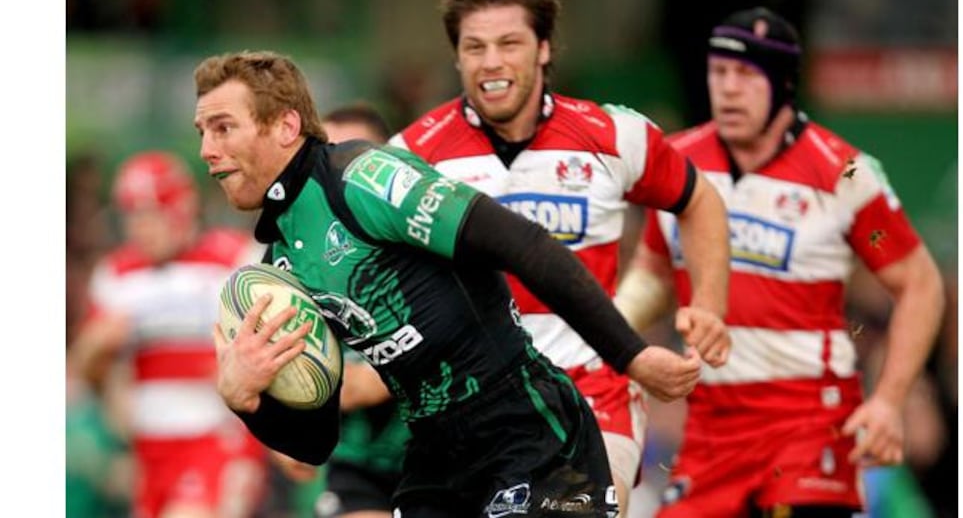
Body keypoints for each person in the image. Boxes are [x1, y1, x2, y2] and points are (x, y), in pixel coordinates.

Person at [192, 49, 704, 518]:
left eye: (222, 128)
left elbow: (523, 244)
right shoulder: (280, 263)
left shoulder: (365, 177)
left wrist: (631, 354)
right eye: (202, 132)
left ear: (285, 126)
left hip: (526, 433)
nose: (207, 150)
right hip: (434, 463)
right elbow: (318, 439)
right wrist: (246, 399)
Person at [388, 0, 732, 514]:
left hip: (593, 396)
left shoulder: (612, 136)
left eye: (510, 43)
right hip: (469, 410)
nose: (491, 62)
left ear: (544, 48)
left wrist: (711, 305)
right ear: (456, 56)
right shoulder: (413, 158)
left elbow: (700, 200)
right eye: (475, 47)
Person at [616, 6, 946, 517]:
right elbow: (654, 274)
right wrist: (607, 337)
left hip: (808, 426)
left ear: (785, 82)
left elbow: (920, 284)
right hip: (711, 430)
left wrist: (887, 400)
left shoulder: (846, 172)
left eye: (746, 75)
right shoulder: (675, 162)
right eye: (718, 72)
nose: (728, 89)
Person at [68, 151, 268, 518]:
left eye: (151, 214)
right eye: (131, 216)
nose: (140, 228)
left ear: (183, 207)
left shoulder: (236, 258)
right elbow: (86, 371)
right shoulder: (116, 274)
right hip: (148, 447)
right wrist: (96, 345)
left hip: (216, 437)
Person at [268, 103, 412, 518]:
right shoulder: (293, 260)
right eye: (326, 156)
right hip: (357, 466)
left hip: (442, 462)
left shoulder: (423, 253)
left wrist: (304, 397)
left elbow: (372, 384)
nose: (338, 173)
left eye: (353, 158)